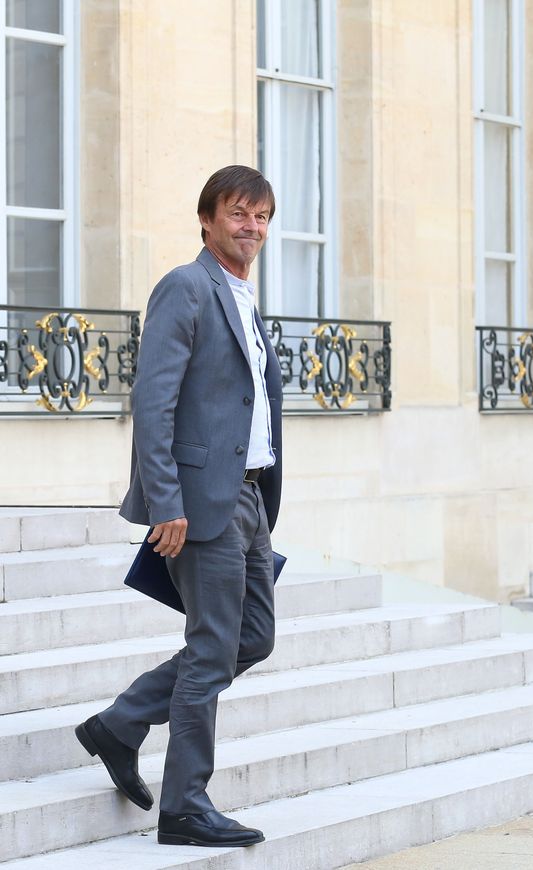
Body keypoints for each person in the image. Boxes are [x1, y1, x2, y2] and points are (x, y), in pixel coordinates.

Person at [75, 165, 282, 849]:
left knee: (251, 638)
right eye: (236, 213)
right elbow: (152, 401)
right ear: (207, 220)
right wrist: (166, 501)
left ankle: (120, 722)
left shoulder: (246, 298)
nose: (249, 227)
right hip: (199, 504)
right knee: (211, 647)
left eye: (260, 216)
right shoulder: (186, 287)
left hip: (250, 496)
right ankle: (186, 805)